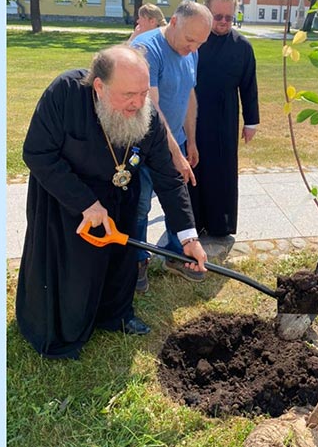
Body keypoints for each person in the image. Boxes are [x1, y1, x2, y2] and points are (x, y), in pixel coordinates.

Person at [16, 45, 208, 359]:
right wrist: (86, 204)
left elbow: (168, 178)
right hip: (65, 198)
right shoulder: (64, 93)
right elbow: (37, 153)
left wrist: (188, 238)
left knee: (120, 263)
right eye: (129, 94)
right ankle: (63, 333)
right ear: (99, 87)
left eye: (144, 93)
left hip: (119, 196)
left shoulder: (144, 114)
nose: (138, 103)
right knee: (73, 272)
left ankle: (116, 315)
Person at [130, 0, 212, 290]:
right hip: (144, 146)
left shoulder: (192, 51)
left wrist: (189, 139)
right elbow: (149, 107)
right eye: (190, 40)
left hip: (175, 139)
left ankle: (176, 253)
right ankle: (138, 260)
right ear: (173, 22)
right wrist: (174, 153)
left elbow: (189, 95)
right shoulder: (147, 48)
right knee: (140, 205)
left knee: (177, 201)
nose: (193, 49)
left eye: (200, 43)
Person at [189, 0, 259, 237]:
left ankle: (221, 224)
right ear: (206, 13)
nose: (223, 22)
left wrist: (251, 122)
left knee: (223, 172)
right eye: (218, 16)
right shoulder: (194, 42)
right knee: (194, 169)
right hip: (193, 117)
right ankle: (193, 224)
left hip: (226, 117)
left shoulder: (242, 46)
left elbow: (249, 86)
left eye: (229, 17)